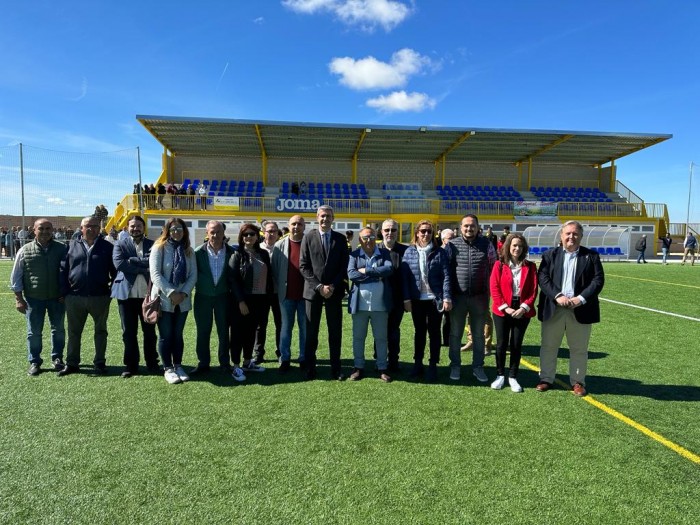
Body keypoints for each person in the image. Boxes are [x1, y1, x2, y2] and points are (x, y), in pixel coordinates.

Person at [536, 220, 605, 396]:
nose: (571, 237)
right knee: (549, 346)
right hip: (554, 308)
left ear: (581, 236)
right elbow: (543, 278)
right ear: (561, 235)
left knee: (578, 349)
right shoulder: (550, 255)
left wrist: (580, 299)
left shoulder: (591, 256)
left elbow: (597, 281)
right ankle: (546, 378)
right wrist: (557, 296)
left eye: (575, 234)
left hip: (580, 310)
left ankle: (578, 382)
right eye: (568, 233)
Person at [58, 216, 116, 376]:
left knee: (100, 331)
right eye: (87, 226)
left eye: (95, 226)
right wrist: (65, 292)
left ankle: (99, 363)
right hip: (75, 297)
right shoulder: (70, 246)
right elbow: (63, 270)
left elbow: (115, 271)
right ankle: (72, 363)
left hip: (100, 297)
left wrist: (111, 290)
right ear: (81, 228)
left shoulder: (107, 247)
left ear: (100, 228)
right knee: (74, 332)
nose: (91, 229)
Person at [11, 219, 68, 376]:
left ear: (53, 230)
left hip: (57, 298)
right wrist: (18, 298)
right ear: (34, 231)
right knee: (34, 332)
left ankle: (57, 359)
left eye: (48, 228)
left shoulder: (63, 249)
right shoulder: (24, 250)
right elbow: (16, 276)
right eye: (41, 228)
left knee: (59, 330)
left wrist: (65, 293)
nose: (45, 231)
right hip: (33, 299)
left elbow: (69, 273)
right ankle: (35, 361)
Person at [299, 205, 349, 380]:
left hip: (334, 293)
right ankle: (310, 368)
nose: (325, 219)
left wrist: (332, 286)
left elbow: (344, 267)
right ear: (317, 217)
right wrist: (320, 287)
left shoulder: (341, 239)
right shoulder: (308, 238)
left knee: (335, 332)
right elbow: (303, 266)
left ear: (333, 218)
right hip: (313, 294)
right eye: (322, 216)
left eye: (328, 216)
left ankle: (336, 368)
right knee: (311, 333)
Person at [446, 214, 497, 383]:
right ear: (461, 228)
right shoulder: (452, 245)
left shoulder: (487, 245)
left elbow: (493, 268)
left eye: (472, 226)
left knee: (478, 335)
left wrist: (489, 293)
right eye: (466, 226)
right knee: (455, 334)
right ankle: (455, 365)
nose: (469, 229)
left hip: (479, 298)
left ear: (477, 227)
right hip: (458, 298)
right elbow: (446, 271)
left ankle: (478, 366)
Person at [401, 220, 452, 382]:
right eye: (423, 231)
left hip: (434, 300)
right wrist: (406, 299)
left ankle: (433, 365)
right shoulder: (409, 252)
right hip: (417, 300)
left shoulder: (440, 252)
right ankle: (418, 363)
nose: (425, 234)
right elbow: (405, 279)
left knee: (434, 333)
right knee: (419, 332)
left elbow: (447, 277)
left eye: (429, 231)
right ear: (417, 233)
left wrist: (446, 297)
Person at [149, 218, 198, 384]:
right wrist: (171, 293)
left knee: (178, 335)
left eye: (180, 229)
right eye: (173, 229)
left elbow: (193, 275)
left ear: (184, 231)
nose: (176, 232)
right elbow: (155, 274)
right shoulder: (159, 248)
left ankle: (178, 365)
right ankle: (168, 368)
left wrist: (183, 294)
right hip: (163, 300)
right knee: (165, 335)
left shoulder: (188, 250)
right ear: (167, 231)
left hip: (182, 301)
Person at [489, 234, 538, 393]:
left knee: (516, 344)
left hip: (522, 309)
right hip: (503, 309)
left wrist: (523, 308)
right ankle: (500, 375)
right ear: (508, 247)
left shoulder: (530, 266)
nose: (517, 248)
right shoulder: (499, 265)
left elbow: (533, 290)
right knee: (501, 344)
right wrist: (506, 307)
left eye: (520, 246)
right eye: (514, 245)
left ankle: (513, 376)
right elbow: (494, 288)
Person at [111, 216, 159, 378]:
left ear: (144, 228)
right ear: (127, 228)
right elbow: (120, 264)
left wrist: (133, 261)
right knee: (128, 332)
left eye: (139, 226)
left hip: (147, 296)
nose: (135, 229)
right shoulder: (119, 244)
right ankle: (131, 365)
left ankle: (152, 363)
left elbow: (153, 264)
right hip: (126, 296)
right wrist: (142, 267)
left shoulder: (153, 245)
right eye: (132, 226)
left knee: (150, 332)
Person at [348, 227, 394, 382]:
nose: (369, 240)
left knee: (381, 338)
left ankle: (382, 367)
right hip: (359, 305)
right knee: (358, 338)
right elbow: (352, 274)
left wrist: (366, 271)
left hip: (380, 306)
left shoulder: (384, 253)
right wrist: (376, 274)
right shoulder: (354, 255)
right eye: (365, 238)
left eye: (372, 237)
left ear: (376, 238)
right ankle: (358, 367)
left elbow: (388, 269)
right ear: (360, 239)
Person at [191, 220, 236, 375]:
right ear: (207, 233)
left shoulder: (232, 252)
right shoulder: (197, 253)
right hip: (202, 297)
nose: (215, 235)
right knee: (203, 331)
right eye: (212, 232)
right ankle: (203, 363)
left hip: (223, 297)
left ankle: (224, 362)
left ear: (224, 234)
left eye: (218, 232)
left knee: (224, 331)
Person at [229, 223, 271, 379]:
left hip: (258, 300)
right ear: (241, 237)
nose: (249, 237)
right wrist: (241, 301)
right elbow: (233, 280)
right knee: (237, 334)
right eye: (245, 234)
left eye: (252, 234)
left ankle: (247, 362)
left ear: (257, 236)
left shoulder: (263, 254)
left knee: (251, 332)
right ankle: (235, 366)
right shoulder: (237, 254)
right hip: (241, 301)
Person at [271, 214, 307, 372]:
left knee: (304, 328)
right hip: (286, 296)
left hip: (306, 296)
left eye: (299, 224)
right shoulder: (279, 245)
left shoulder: (310, 243)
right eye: (293, 224)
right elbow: (274, 271)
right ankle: (285, 358)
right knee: (286, 328)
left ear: (304, 226)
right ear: (288, 225)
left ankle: (304, 357)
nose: (296, 227)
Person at [377, 218, 407, 371]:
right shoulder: (374, 250)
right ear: (381, 231)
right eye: (387, 230)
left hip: (397, 300)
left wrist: (407, 299)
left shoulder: (405, 251)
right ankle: (379, 359)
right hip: (377, 299)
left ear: (397, 232)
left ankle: (394, 360)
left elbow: (409, 278)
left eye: (393, 230)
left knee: (394, 330)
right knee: (379, 331)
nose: (390, 233)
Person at [255, 220, 282, 362]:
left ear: (278, 233)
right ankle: (258, 353)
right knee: (260, 324)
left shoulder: (283, 248)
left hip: (279, 293)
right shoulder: (257, 249)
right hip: (262, 293)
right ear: (263, 232)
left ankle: (281, 352)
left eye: (274, 231)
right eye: (268, 231)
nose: (271, 234)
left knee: (280, 324)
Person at [440, 228, 455, 347]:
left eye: (454, 238)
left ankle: (447, 340)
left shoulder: (456, 251)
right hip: (438, 290)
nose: (453, 241)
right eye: (450, 239)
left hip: (453, 289)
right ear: (443, 239)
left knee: (449, 317)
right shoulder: (438, 252)